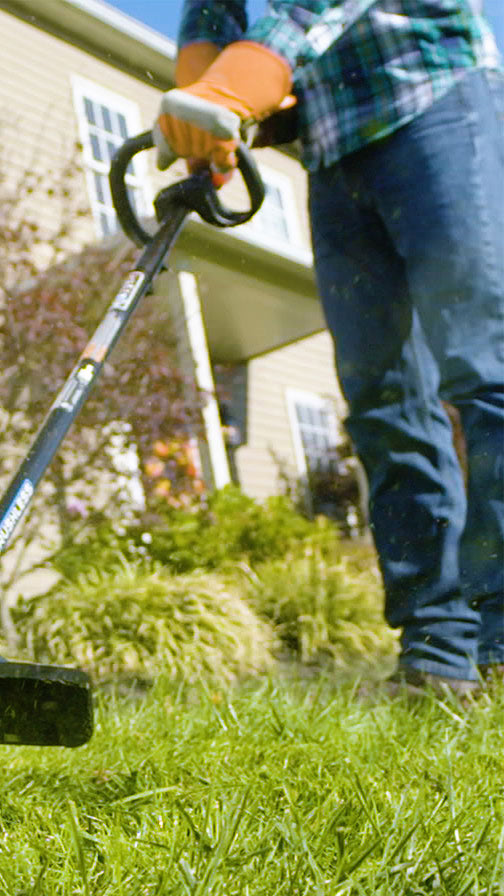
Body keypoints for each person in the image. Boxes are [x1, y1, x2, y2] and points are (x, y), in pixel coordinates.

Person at [156, 0, 504, 697]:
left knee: (485, 368)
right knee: (382, 399)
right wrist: (203, 99)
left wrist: (239, 81)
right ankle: (436, 652)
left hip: (430, 95)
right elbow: (213, 11)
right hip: (330, 146)